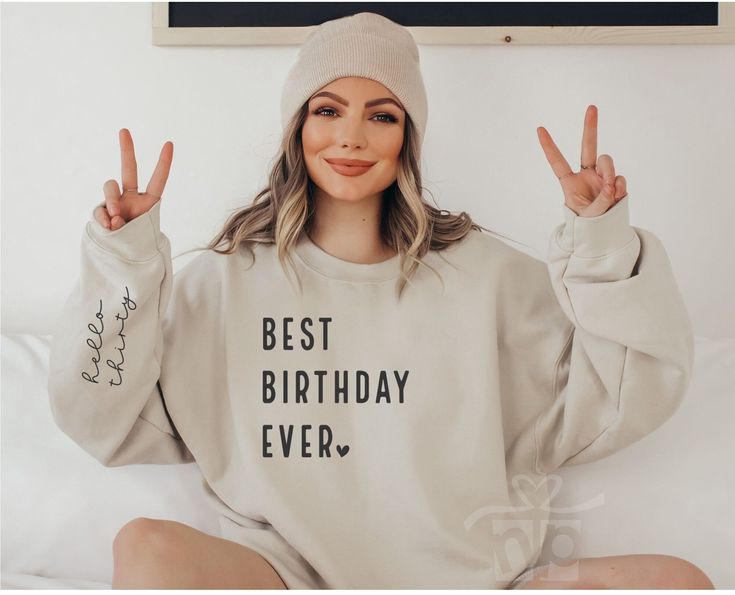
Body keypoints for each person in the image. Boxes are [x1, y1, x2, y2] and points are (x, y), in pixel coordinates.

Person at [47, 11, 713, 590]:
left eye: (381, 115)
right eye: (327, 109)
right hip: (280, 575)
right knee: (145, 546)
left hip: (468, 580)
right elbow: (104, 417)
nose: (351, 137)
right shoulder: (223, 282)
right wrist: (124, 262)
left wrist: (598, 240)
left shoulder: (486, 275)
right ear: (296, 127)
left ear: (407, 138)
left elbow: (625, 394)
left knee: (678, 583)